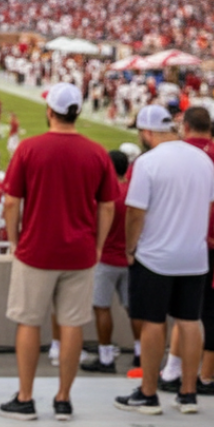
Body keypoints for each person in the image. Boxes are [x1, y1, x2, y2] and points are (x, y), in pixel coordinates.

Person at [1, 84, 116, 421]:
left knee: (28, 321)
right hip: (79, 252)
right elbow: (107, 206)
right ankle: (63, 398)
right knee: (72, 325)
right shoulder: (96, 153)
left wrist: (13, 239)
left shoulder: (29, 148)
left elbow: (10, 202)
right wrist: (96, 245)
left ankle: (25, 397)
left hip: (36, 248)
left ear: (49, 110)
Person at [116, 104, 214, 416]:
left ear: (147, 133)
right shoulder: (203, 159)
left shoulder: (148, 162)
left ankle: (148, 392)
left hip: (156, 254)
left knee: (153, 322)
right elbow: (211, 201)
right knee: (189, 321)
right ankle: (188, 393)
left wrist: (130, 247)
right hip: (194, 253)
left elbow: (135, 212)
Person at [167, 106, 214, 391]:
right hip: (210, 241)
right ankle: (200, 375)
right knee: (205, 311)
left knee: (188, 312)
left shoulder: (175, 154)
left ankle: (179, 373)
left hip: (182, 239)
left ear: (186, 126)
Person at [81, 149, 132, 374]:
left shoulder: (105, 195)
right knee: (135, 309)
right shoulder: (133, 191)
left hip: (106, 259)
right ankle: (141, 354)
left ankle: (106, 356)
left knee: (102, 308)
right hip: (131, 258)